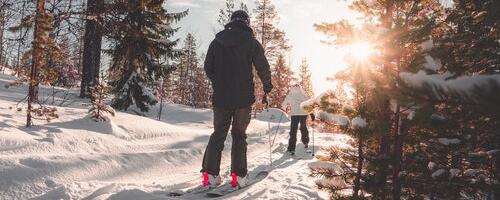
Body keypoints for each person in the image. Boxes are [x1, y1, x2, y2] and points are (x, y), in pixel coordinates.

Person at [201, 10, 273, 189]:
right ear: (247, 23)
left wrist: (218, 82)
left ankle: (210, 175)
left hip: (221, 98)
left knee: (218, 134)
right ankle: (238, 176)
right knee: (239, 135)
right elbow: (263, 67)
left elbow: (208, 67)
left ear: (231, 21)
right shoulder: (251, 42)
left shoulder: (216, 42)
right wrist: (267, 87)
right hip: (242, 99)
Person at [282, 85, 312, 155]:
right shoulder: (303, 94)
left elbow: (283, 104)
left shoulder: (291, 94)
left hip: (294, 114)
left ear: (292, 88)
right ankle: (305, 141)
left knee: (293, 130)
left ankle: (291, 148)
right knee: (303, 127)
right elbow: (308, 104)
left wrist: (286, 108)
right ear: (299, 88)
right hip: (303, 114)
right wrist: (311, 113)